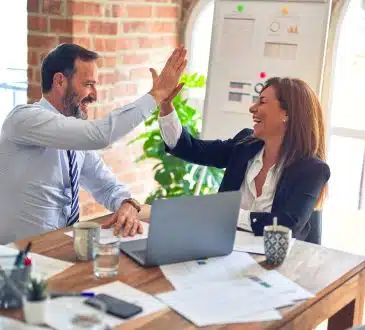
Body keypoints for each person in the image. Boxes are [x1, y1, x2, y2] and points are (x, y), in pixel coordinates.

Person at [0, 43, 187, 244]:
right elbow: (100, 135)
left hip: (61, 248)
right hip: (18, 256)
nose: (95, 95)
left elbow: (106, 185)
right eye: (88, 84)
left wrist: (127, 203)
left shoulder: (73, 135)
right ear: (60, 81)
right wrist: (156, 94)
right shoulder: (24, 119)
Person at [157, 77, 330, 242]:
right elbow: (190, 148)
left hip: (278, 261)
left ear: (287, 113)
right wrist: (166, 107)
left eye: (262, 101)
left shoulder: (312, 169)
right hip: (224, 250)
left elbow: (287, 224)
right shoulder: (245, 145)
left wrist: (226, 214)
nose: (252, 108)